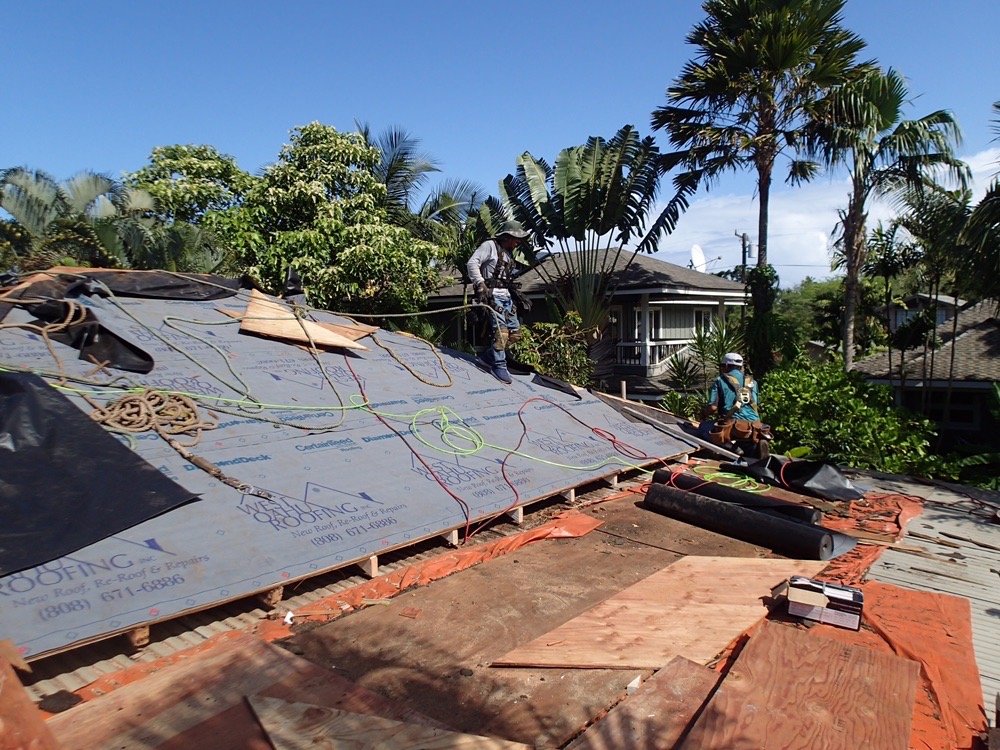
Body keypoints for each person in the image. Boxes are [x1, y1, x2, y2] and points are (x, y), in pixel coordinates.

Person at [466, 220, 532, 384]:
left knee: (515, 334)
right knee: (500, 333)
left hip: (506, 296)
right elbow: (472, 263)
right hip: (492, 295)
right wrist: (480, 283)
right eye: (516, 239)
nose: (517, 242)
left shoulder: (508, 253)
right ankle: (499, 365)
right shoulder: (490, 246)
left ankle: (488, 358)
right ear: (507, 236)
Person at [703, 352, 771, 457]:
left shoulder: (720, 380)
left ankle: (731, 447)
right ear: (740, 367)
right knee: (747, 437)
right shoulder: (753, 382)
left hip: (734, 427)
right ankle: (754, 447)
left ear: (725, 366)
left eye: (722, 366)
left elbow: (712, 407)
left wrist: (703, 415)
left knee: (703, 428)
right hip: (755, 426)